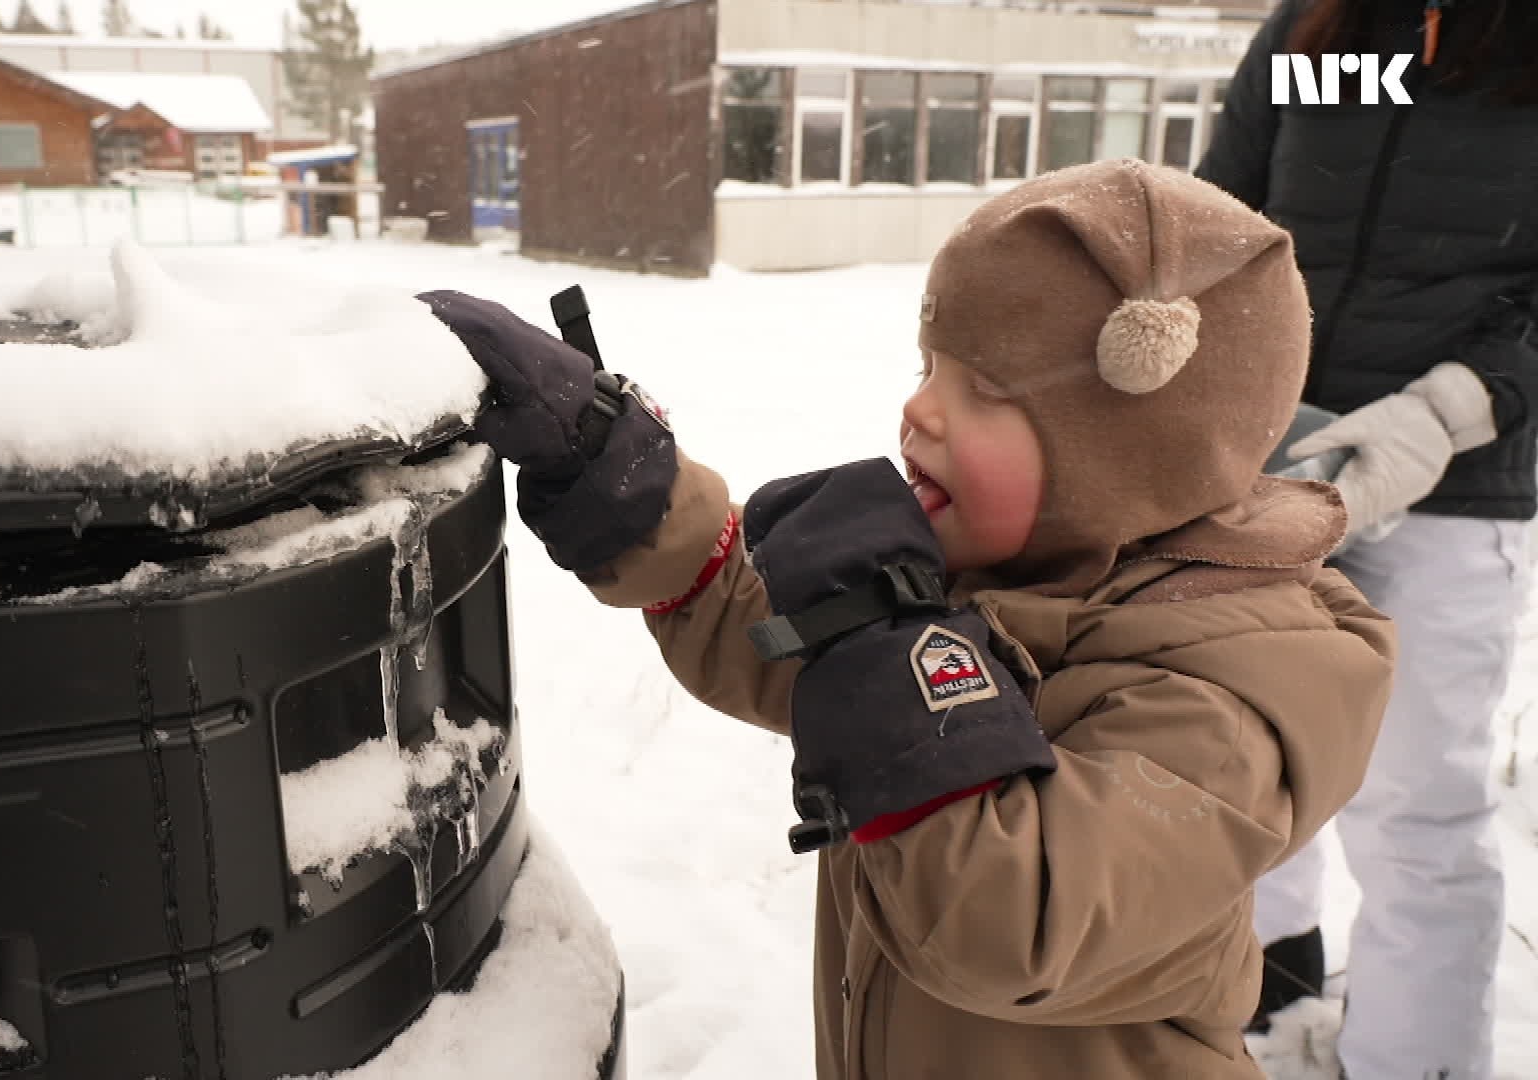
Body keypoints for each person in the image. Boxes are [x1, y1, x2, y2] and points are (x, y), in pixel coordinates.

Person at [418, 159, 1396, 1078]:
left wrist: (883, 641)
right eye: (930, 365)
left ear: (1126, 457)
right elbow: (772, 644)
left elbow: (1005, 920)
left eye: (985, 392)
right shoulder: (1016, 573)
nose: (917, 410)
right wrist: (623, 480)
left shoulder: (1230, 692)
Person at [1197, 3, 1538, 1075]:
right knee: (1247, 755)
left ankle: (1414, 1059)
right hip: (1267, 466)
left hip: (1452, 492)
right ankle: (1269, 989)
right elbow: (1220, 213)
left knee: (1416, 814)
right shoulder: (1331, 30)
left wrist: (1450, 409)